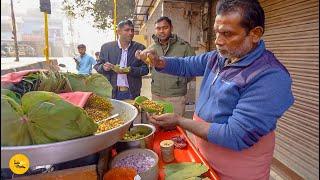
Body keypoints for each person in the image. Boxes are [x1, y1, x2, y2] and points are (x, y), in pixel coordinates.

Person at [135, 0, 294, 179]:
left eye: (227, 34)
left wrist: (179, 120)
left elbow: (235, 135)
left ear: (255, 33)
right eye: (217, 32)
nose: (218, 41)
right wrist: (159, 61)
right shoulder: (219, 57)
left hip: (238, 170)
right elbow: (186, 65)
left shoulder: (270, 77)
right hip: (203, 159)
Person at [148, 16, 195, 116]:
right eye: (158, 28)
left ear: (171, 28)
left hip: (176, 97)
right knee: (157, 124)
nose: (161, 31)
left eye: (165, 28)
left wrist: (179, 81)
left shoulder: (184, 47)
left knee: (175, 127)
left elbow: (193, 69)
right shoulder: (152, 48)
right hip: (156, 95)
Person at [94, 20, 149, 100]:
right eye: (127, 30)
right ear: (118, 32)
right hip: (112, 92)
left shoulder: (140, 48)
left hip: (132, 93)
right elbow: (97, 66)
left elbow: (145, 70)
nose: (130, 33)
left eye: (132, 30)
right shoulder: (106, 48)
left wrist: (129, 70)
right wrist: (103, 67)